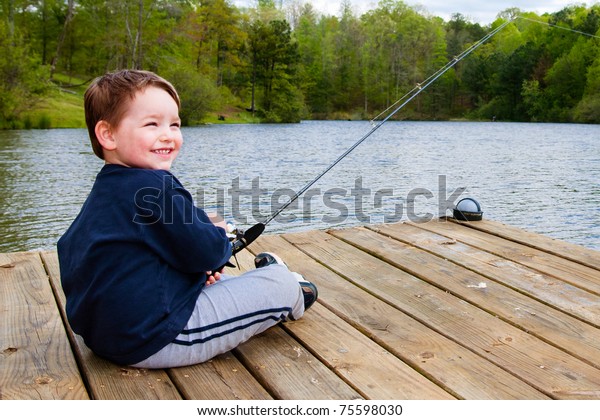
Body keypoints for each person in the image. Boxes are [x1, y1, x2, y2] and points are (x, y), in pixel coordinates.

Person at [57, 69, 317, 369]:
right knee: (278, 285)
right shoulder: (155, 186)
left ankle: (263, 277)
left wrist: (193, 266)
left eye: (175, 124)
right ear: (108, 134)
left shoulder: (108, 189)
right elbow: (206, 252)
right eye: (152, 124)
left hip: (104, 337)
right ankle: (292, 287)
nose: (168, 134)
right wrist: (219, 236)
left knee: (214, 270)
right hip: (156, 339)